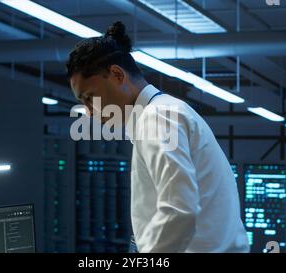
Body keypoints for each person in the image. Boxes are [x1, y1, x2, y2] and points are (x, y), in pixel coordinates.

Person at [66, 21, 249, 253]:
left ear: (116, 75)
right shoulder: (164, 111)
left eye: (90, 97)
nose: (90, 111)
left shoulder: (157, 118)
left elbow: (178, 210)